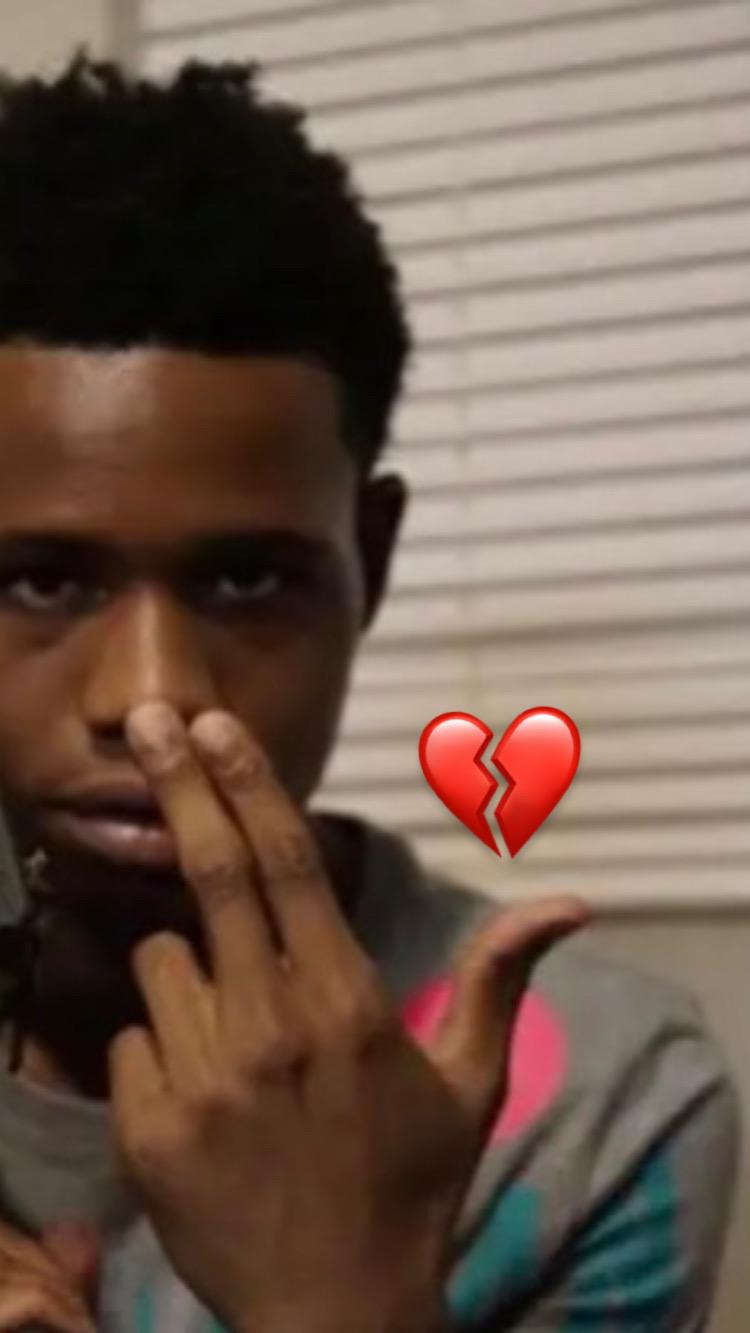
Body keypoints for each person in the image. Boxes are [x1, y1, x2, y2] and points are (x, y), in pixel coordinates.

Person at [0, 51, 737, 1333]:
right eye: (44, 580)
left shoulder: (592, 1104)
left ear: (373, 561)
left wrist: (338, 1296)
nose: (155, 698)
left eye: (246, 579)